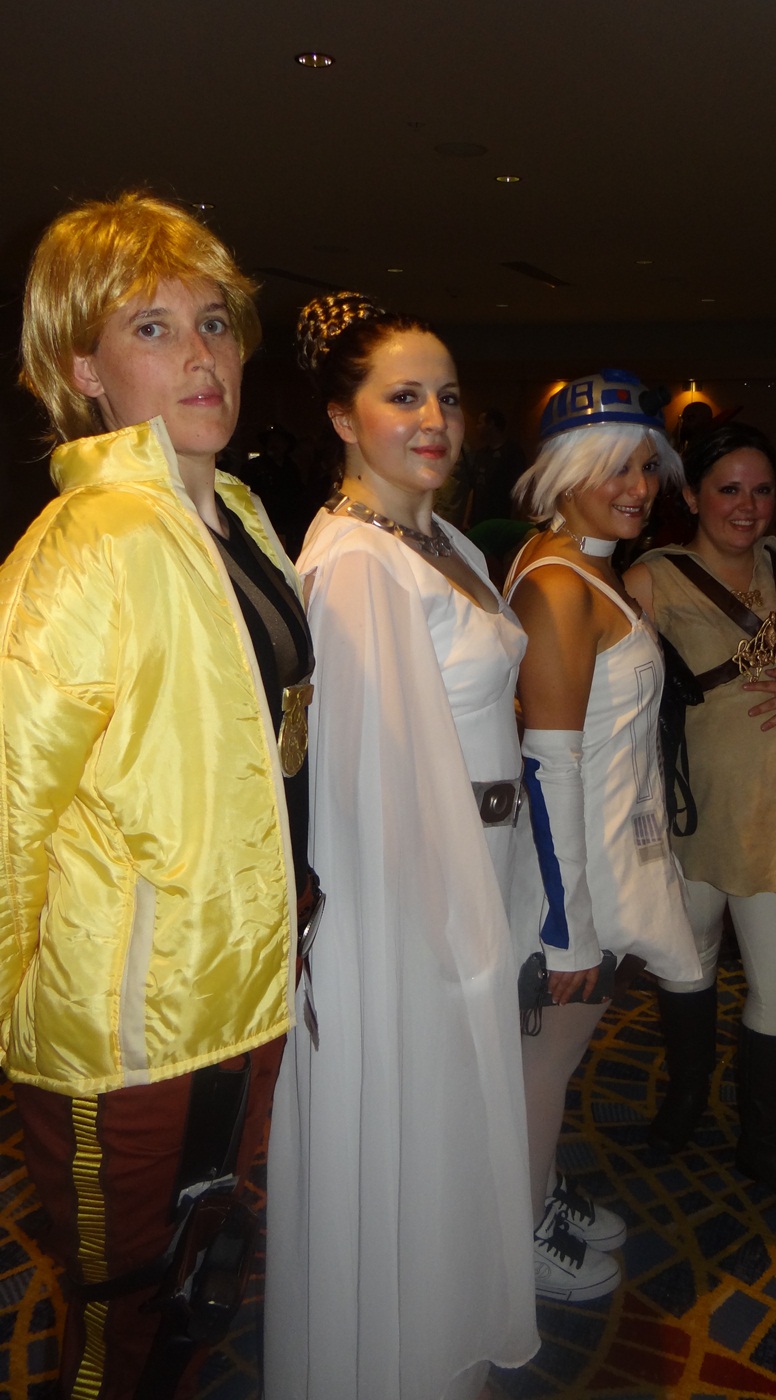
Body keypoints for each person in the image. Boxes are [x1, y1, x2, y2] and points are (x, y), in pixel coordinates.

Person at [0, 193, 315, 1397]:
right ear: (83, 368)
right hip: (123, 1032)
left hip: (244, 991)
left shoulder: (235, 516)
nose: (201, 355)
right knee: (121, 1324)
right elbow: (8, 812)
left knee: (198, 1293)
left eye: (215, 322)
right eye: (153, 327)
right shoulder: (88, 541)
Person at [264, 293, 538, 1400]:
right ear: (343, 417)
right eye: (405, 396)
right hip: (412, 908)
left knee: (454, 1144)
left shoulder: (441, 540)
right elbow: (372, 792)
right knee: (421, 1139)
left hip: (475, 870)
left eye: (450, 397)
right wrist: (463, 936)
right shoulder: (359, 563)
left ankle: (441, 1354)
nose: (436, 420)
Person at [505, 371, 704, 1301]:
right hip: (568, 878)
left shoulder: (586, 565)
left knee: (556, 1063)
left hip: (602, 859)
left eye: (647, 467)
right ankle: (516, 1240)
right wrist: (568, 930)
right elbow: (549, 767)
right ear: (564, 472)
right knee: (543, 1068)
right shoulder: (559, 585)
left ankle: (539, 1189)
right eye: (613, 468)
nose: (638, 488)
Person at [625, 423, 776, 1226]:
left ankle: (767, 1145)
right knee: (686, 964)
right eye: (728, 489)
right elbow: (619, 704)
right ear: (691, 495)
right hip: (693, 815)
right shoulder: (652, 578)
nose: (747, 506)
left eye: (761, 490)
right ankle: (688, 1096)